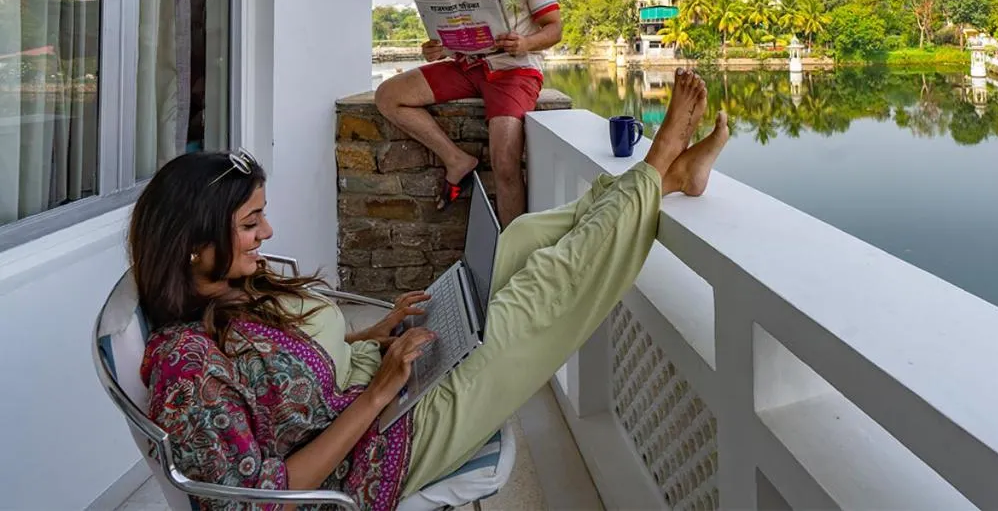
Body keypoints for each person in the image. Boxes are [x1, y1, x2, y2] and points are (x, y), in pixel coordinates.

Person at [133, 71, 728, 510]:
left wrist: (379, 332)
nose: (267, 232)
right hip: (380, 446)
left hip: (380, 379)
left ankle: (663, 180)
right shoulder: (186, 369)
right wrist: (377, 394)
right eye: (248, 223)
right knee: (540, 294)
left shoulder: (232, 288)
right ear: (193, 242)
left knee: (519, 240)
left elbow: (297, 364)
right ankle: (657, 168)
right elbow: (256, 501)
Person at [375, 0, 561, 227]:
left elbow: (555, 29)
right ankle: (456, 159)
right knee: (387, 95)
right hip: (467, 66)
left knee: (505, 164)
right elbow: (454, 39)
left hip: (513, 70)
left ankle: (512, 259)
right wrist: (437, 49)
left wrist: (526, 43)